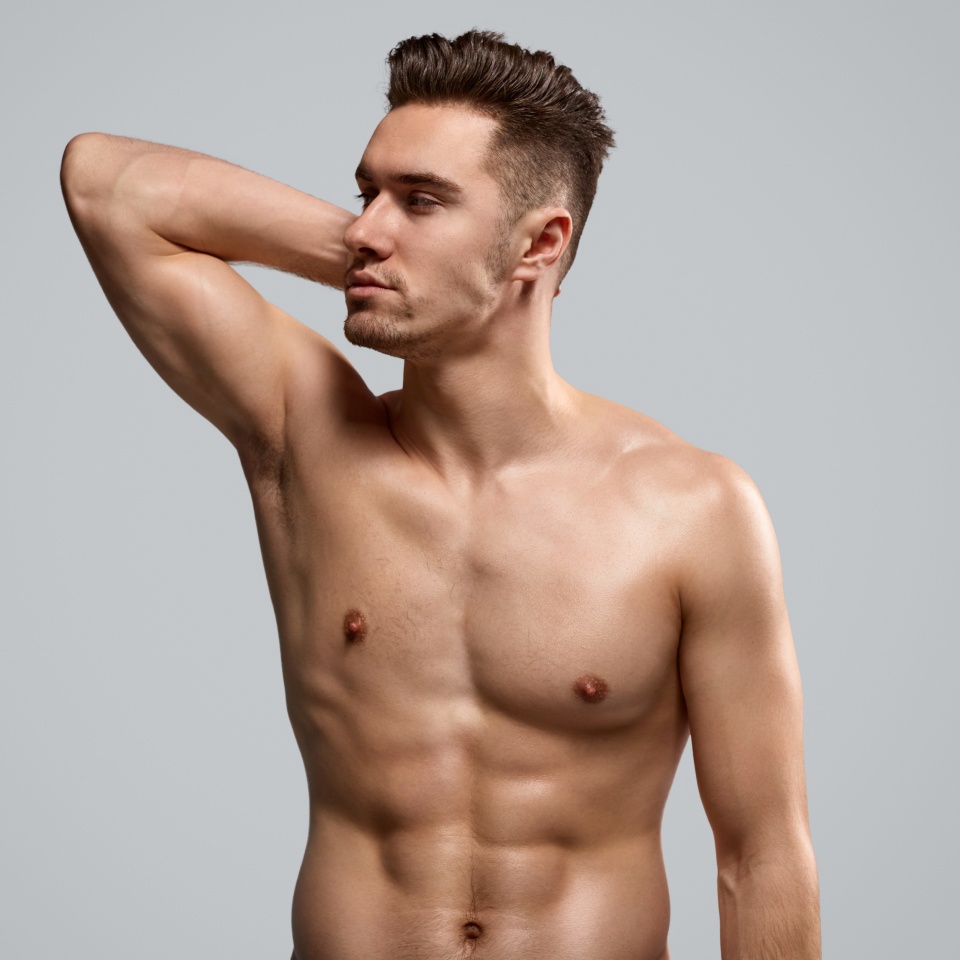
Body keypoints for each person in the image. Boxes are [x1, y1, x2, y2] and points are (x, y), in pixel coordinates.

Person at [61, 29, 820, 960]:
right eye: (367, 194)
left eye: (422, 201)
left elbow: (763, 856)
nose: (367, 228)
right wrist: (388, 257)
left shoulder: (693, 510)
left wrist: (443, 264)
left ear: (541, 242)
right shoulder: (309, 437)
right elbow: (105, 184)